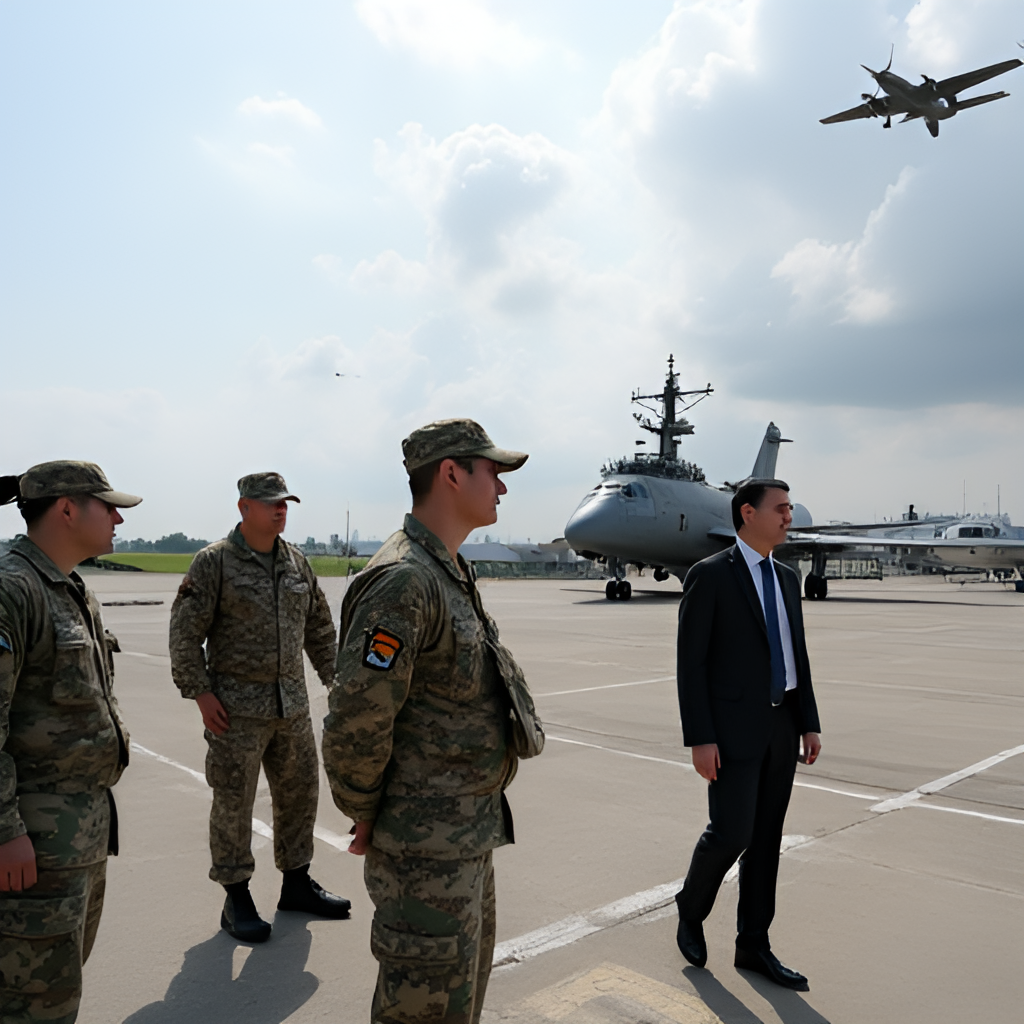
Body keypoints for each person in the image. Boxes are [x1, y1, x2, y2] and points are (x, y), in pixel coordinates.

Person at [322, 419, 545, 1024]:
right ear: (451, 473)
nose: (502, 487)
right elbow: (357, 718)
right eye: (492, 472)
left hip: (463, 838)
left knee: (457, 1006)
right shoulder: (405, 580)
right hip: (424, 852)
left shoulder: (445, 569)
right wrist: (364, 809)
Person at [168, 472, 350, 943]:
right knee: (234, 802)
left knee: (300, 796)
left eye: (284, 502)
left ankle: (296, 884)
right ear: (244, 507)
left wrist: (336, 680)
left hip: (291, 708)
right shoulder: (215, 562)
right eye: (270, 503)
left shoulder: (296, 562)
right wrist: (200, 693)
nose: (280, 509)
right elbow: (185, 634)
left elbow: (319, 629)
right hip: (235, 713)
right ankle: (236, 897)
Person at [0, 461, 140, 1022]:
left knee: (58, 994)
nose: (117, 520)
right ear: (66, 509)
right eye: (108, 507)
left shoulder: (71, 587)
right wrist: (5, 831)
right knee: (31, 1006)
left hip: (77, 841)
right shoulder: (13, 589)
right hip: (31, 846)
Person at [674, 478, 822, 990]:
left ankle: (753, 943)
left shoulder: (786, 577)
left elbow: (796, 654)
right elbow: (691, 664)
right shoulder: (711, 575)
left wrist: (809, 721)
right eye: (780, 508)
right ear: (748, 514)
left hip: (782, 726)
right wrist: (700, 737)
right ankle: (691, 907)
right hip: (731, 731)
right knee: (732, 833)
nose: (788, 517)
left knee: (766, 840)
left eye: (789, 508)